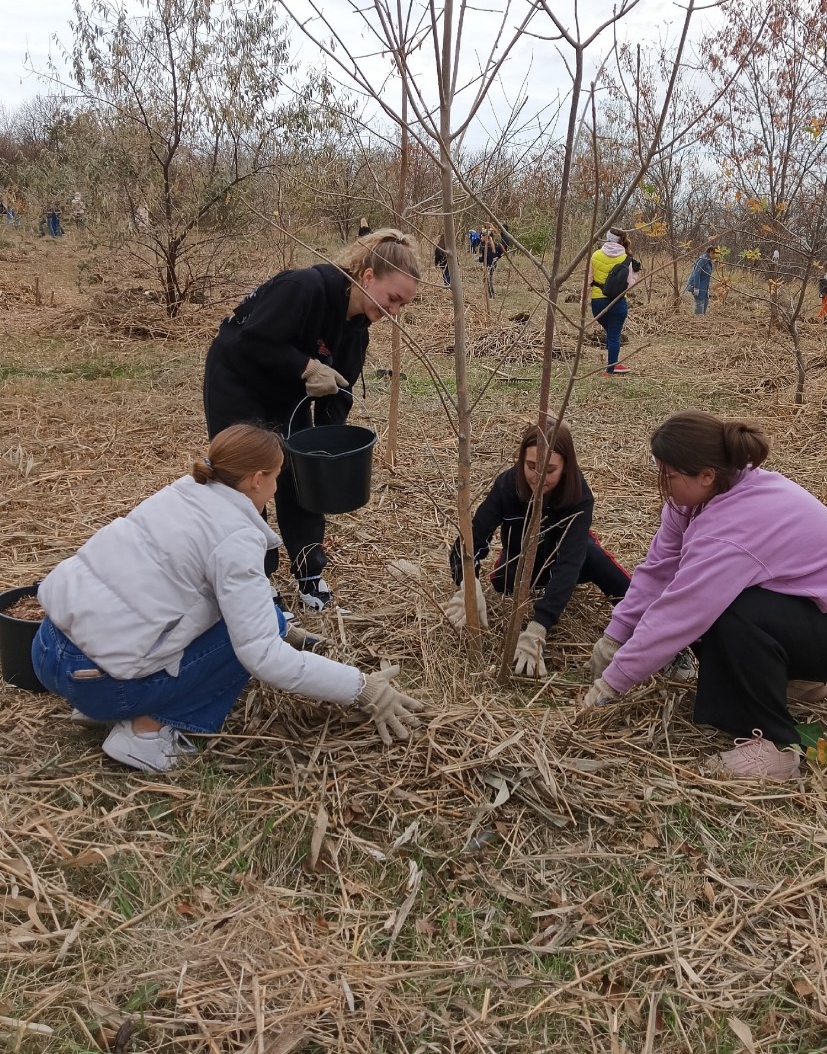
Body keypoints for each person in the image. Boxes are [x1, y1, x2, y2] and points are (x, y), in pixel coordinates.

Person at [31, 425, 422, 772]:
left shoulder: (181, 495)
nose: (277, 485)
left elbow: (224, 593)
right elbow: (263, 656)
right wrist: (360, 687)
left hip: (48, 650)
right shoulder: (235, 538)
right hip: (102, 683)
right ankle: (144, 734)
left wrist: (281, 624)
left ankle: (102, 702)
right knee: (247, 645)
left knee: (253, 620)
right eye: (277, 476)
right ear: (256, 480)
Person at [582, 411, 827, 782]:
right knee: (730, 609)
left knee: (729, 613)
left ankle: (777, 747)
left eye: (669, 474)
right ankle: (800, 683)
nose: (661, 483)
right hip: (813, 612)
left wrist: (614, 681)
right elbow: (659, 569)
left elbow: (683, 612)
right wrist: (615, 636)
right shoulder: (695, 499)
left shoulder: (734, 525)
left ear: (706, 475)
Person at [203, 229, 420, 612]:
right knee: (248, 482)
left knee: (298, 473)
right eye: (392, 298)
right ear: (368, 276)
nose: (394, 312)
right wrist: (305, 365)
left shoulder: (356, 335)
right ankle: (256, 578)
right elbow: (252, 340)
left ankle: (308, 570)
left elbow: (338, 394)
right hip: (238, 381)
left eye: (402, 304)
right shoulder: (305, 287)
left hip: (288, 395)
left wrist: (327, 449)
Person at [444, 419, 630, 678]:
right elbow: (468, 542)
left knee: (606, 569)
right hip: (521, 562)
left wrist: (538, 626)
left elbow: (568, 565)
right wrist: (468, 582)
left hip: (575, 561)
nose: (539, 477)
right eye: (531, 466)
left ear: (566, 467)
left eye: (550, 469)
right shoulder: (507, 486)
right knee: (502, 581)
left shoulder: (579, 496)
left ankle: (652, 636)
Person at [588, 228, 641, 375]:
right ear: (622, 240)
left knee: (611, 334)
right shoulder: (627, 259)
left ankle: (614, 362)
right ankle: (611, 369)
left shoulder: (595, 255)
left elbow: (588, 280)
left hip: (598, 303)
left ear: (607, 238)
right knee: (614, 335)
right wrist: (636, 274)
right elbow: (630, 285)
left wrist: (583, 299)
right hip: (617, 303)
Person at [686, 245, 716, 316]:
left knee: (706, 303)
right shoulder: (703, 259)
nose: (716, 256)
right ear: (711, 252)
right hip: (698, 286)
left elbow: (707, 276)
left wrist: (707, 288)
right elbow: (696, 273)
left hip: (704, 287)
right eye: (715, 254)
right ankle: (698, 321)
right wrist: (696, 287)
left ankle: (702, 320)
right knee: (700, 305)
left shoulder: (709, 261)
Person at [478, 228, 505, 297]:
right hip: (487, 264)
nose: (481, 237)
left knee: (488, 279)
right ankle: (488, 294)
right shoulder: (483, 245)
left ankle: (492, 295)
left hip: (491, 264)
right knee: (486, 279)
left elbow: (500, 253)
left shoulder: (493, 245)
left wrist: (497, 258)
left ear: (486, 236)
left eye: (482, 236)